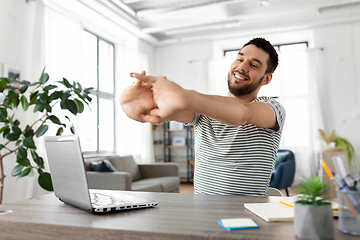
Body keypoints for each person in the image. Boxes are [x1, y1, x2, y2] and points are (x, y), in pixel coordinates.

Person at [120, 37, 285, 196]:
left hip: (248, 212)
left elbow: (243, 113)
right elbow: (169, 108)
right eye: (239, 59)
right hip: (203, 212)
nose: (242, 67)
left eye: (254, 65)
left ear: (267, 79)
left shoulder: (273, 108)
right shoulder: (204, 109)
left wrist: (185, 97)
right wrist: (144, 103)